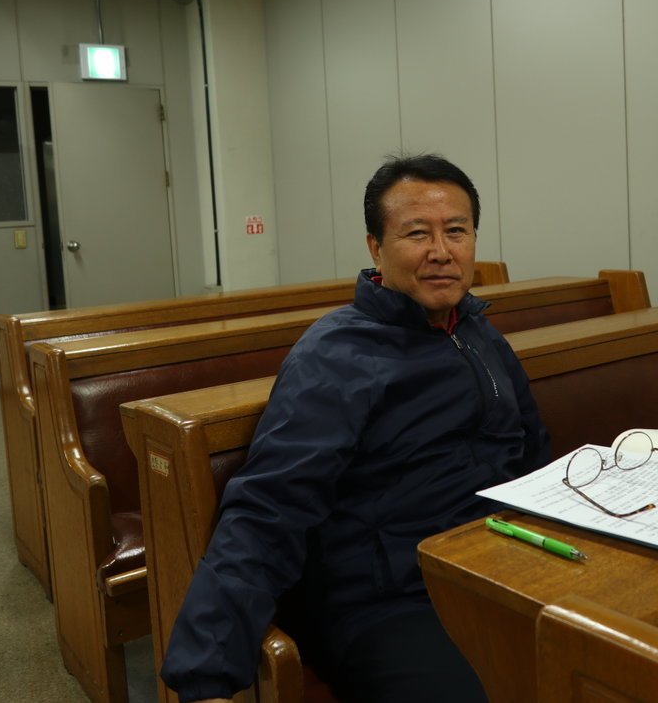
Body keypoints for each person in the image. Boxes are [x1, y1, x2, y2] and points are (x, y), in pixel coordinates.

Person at [160, 153, 551, 703]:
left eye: (456, 231)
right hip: (389, 597)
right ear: (375, 247)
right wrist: (207, 677)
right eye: (417, 233)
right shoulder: (337, 355)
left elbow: (533, 454)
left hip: (493, 562)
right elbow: (271, 506)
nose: (441, 251)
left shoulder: (479, 334)